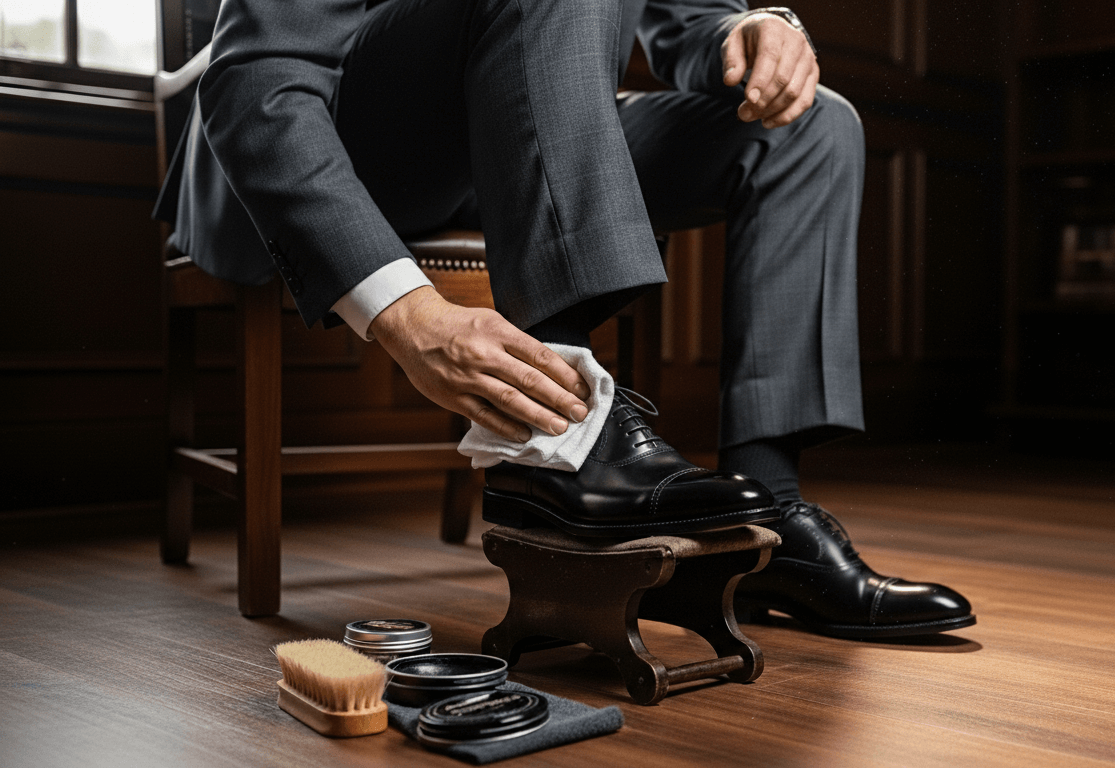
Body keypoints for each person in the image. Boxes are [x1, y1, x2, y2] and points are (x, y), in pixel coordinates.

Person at [154, 0, 975, 638]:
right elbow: (257, 84)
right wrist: (409, 314)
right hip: (327, 134)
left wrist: (755, 29)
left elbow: (692, 25)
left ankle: (765, 530)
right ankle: (562, 440)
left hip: (502, 125)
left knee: (812, 125)